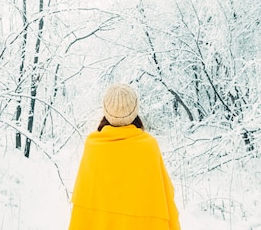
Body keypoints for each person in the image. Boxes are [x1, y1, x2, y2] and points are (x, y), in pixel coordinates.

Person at [68, 83, 181, 230]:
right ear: (134, 110)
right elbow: (165, 195)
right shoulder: (148, 146)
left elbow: (84, 210)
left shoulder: (93, 146)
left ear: (106, 110)